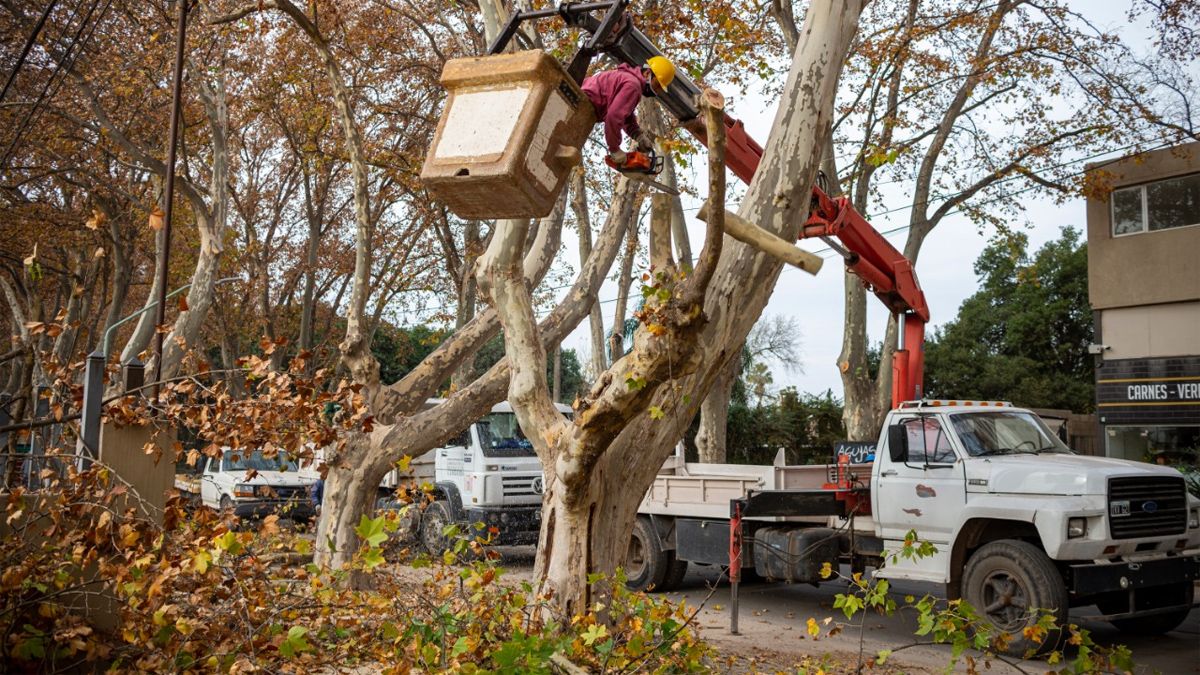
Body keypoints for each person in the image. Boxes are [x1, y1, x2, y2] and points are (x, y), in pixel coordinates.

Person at [581, 55, 676, 167]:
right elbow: (614, 117)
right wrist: (615, 149)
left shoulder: (628, 79)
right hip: (582, 107)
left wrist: (637, 134)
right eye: (657, 85)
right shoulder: (633, 86)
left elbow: (625, 115)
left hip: (583, 103)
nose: (657, 91)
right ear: (647, 73)